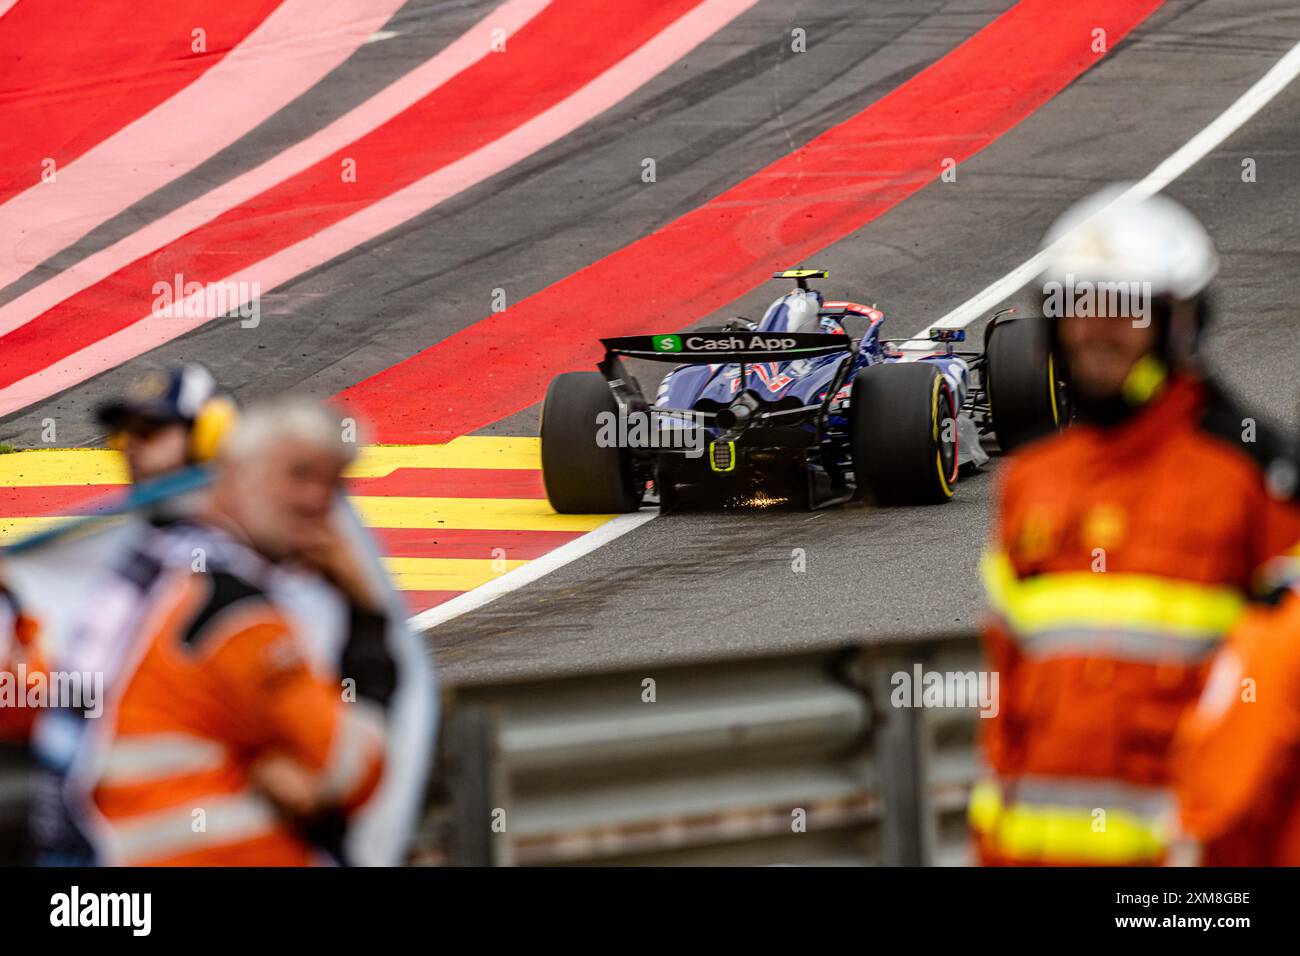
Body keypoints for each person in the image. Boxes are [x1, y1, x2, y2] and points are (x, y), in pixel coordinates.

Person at [969, 185, 1300, 866]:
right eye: (1080, 308)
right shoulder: (1031, 483)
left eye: (1124, 311)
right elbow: (1007, 705)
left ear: (1176, 323)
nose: (1098, 329)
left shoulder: (1256, 480)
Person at [47, 398, 397, 865]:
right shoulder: (233, 610)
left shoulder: (156, 573)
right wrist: (366, 616)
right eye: (297, 475)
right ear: (236, 473)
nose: (318, 500)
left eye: (333, 485)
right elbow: (351, 770)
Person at [95, 363, 238, 484]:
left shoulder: (249, 516)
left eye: (146, 433)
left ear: (206, 436)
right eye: (126, 434)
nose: (131, 446)